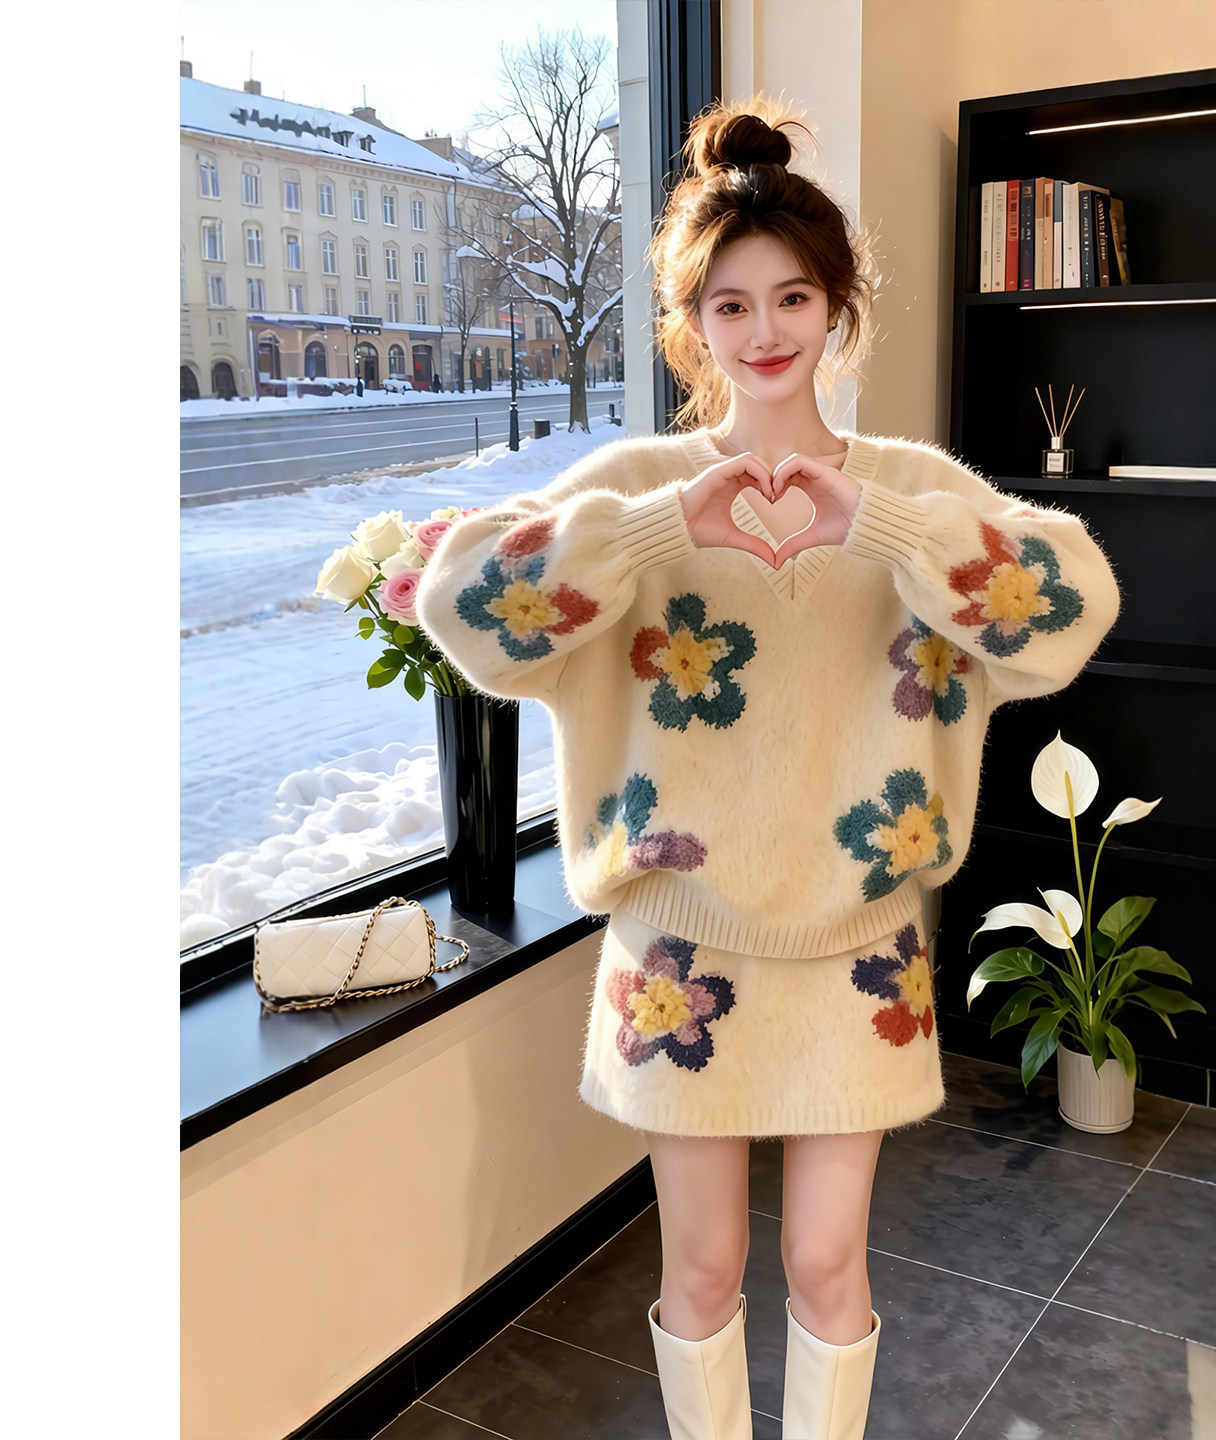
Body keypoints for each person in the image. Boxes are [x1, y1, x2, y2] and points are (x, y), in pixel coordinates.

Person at [415, 94, 1121, 1440]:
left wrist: (886, 525)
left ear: (837, 306)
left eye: (792, 297)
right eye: (729, 306)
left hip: (860, 944)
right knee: (701, 1266)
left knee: (827, 1265)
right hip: (679, 950)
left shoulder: (909, 487)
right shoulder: (639, 481)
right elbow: (467, 608)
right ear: (690, 324)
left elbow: (1070, 607)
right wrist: (658, 528)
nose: (765, 332)